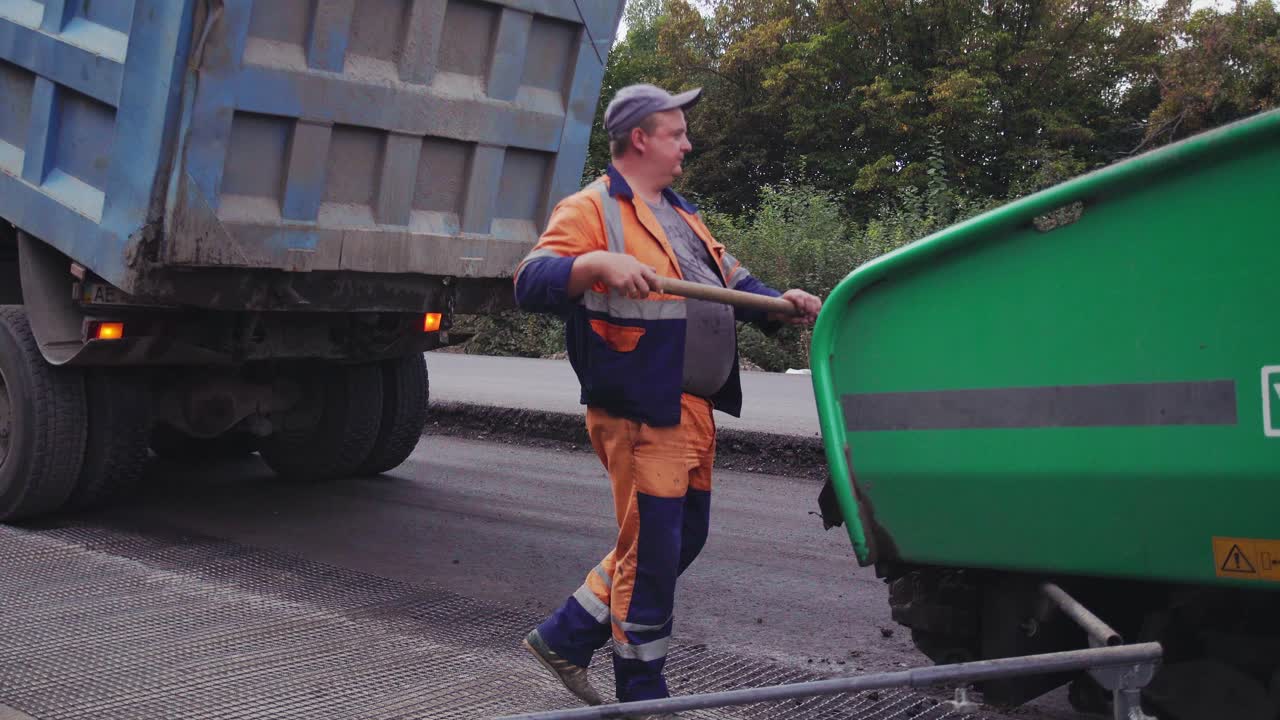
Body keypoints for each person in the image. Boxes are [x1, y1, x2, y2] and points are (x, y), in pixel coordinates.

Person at [513, 83, 822, 711]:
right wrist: (594, 264)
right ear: (640, 139)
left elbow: (728, 276)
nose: (688, 142)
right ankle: (643, 698)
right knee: (652, 559)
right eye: (676, 132)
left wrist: (778, 305)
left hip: (692, 408)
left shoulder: (681, 213)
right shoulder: (591, 209)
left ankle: (565, 637)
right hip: (640, 410)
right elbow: (530, 280)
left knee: (681, 539)